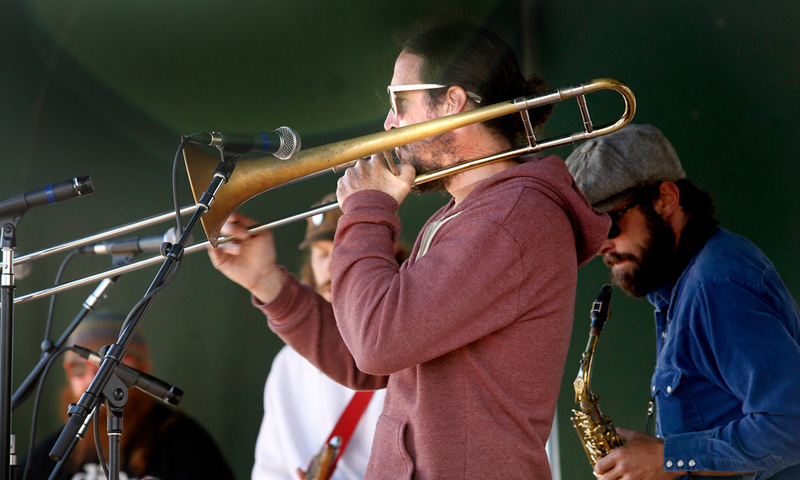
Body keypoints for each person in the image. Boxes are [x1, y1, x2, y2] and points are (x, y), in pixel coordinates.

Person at [209, 21, 609, 479]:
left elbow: (376, 345)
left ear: (452, 101)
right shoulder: (463, 214)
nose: (389, 122)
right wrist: (270, 284)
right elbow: (371, 365)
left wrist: (365, 210)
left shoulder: (509, 217)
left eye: (400, 101)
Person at [565, 124, 800, 479]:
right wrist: (655, 455)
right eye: (589, 232)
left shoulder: (716, 286)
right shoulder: (682, 284)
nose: (601, 246)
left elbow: (792, 425)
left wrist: (668, 457)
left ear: (666, 200)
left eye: (610, 223)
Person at [252, 193, 391, 480]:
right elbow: (271, 466)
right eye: (322, 253)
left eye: (344, 250)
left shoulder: (406, 343)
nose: (330, 269)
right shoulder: (288, 362)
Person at [23, 312, 235, 480]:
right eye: (78, 368)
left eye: (107, 366)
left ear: (143, 369)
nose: (92, 377)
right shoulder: (55, 450)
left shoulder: (185, 443)